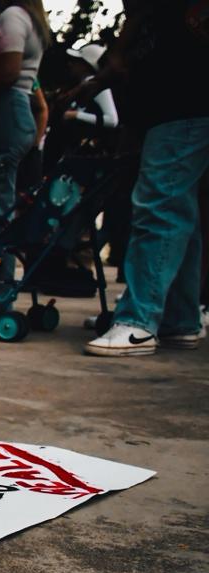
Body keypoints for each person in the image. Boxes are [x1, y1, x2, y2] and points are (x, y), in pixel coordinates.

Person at [81, 0, 209, 356]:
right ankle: (179, 319)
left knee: (161, 204)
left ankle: (140, 321)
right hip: (173, 106)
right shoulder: (149, 20)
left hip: (185, 103)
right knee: (180, 210)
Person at [0, 0, 49, 293]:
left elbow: (7, 73)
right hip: (15, 115)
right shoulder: (30, 19)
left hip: (8, 111)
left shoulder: (13, 17)